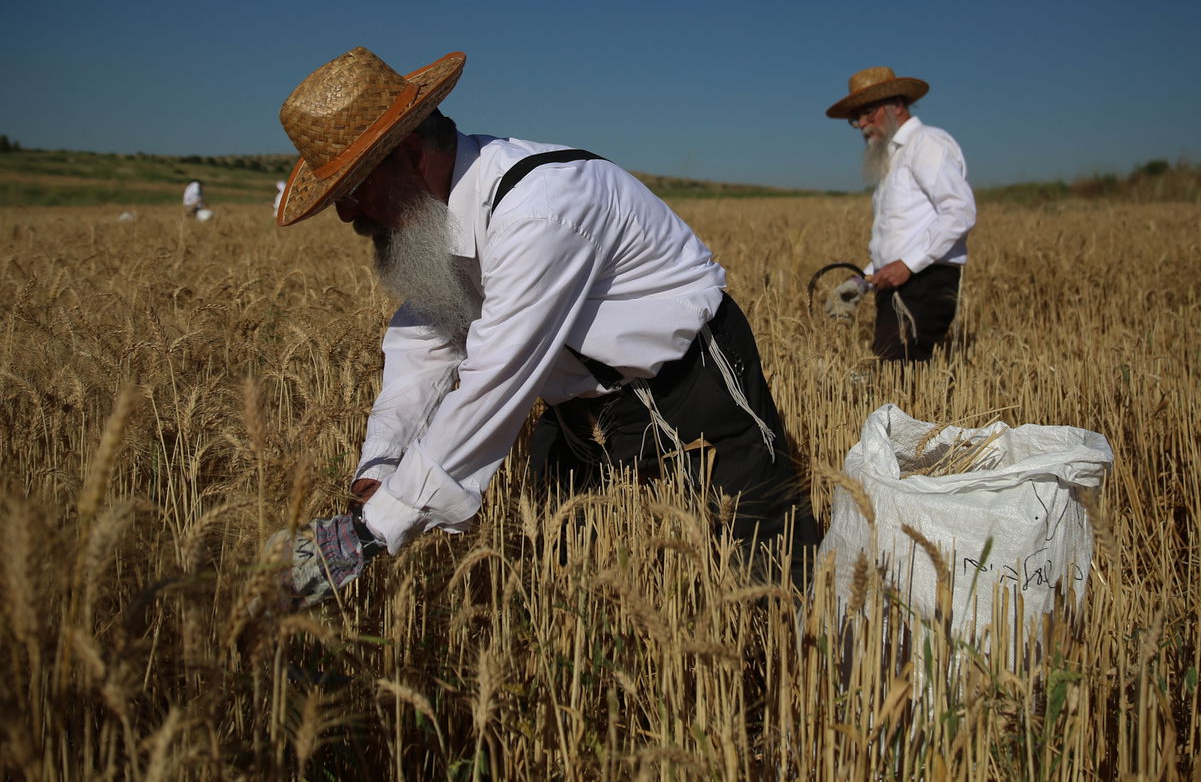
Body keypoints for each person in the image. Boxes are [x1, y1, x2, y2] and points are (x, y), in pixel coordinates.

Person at [267, 46, 819, 608]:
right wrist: (380, 469)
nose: (347, 214)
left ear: (410, 154)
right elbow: (424, 346)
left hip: (687, 391)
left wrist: (369, 532)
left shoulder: (537, 210)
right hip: (579, 413)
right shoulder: (437, 219)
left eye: (355, 189)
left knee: (764, 576)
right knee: (574, 589)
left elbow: (494, 380)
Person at [824, 67, 976, 361]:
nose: (863, 125)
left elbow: (960, 210)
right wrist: (863, 280)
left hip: (926, 282)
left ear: (897, 105)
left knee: (897, 376)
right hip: (901, 282)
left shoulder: (926, 143)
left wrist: (907, 264)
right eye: (857, 118)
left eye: (869, 113)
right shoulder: (892, 158)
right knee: (897, 375)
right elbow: (902, 236)